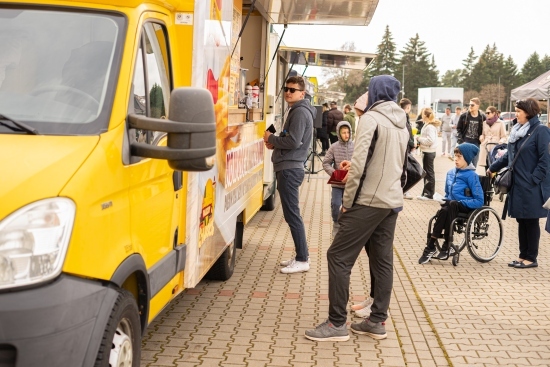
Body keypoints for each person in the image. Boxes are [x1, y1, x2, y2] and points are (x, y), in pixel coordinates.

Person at [304, 75, 408, 342]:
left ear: (375, 93)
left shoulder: (371, 119)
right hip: (391, 201)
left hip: (367, 201)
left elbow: (359, 165)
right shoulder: (403, 122)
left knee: (337, 256)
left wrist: (347, 203)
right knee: (382, 260)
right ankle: (377, 321)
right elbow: (402, 166)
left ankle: (336, 324)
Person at [487, 98, 550, 269]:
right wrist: (492, 167)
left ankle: (532, 257)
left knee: (531, 220)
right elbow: (509, 155)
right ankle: (523, 255)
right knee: (522, 220)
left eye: (519, 111)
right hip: (517, 184)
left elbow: (545, 160)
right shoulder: (517, 130)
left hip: (531, 185)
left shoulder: (541, 130)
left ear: (529, 112)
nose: (516, 114)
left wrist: (533, 179)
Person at [263, 76, 316, 274]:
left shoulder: (300, 112)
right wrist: (275, 141)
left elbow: (293, 142)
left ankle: (303, 259)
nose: (288, 92)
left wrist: (272, 138)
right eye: (286, 88)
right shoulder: (297, 110)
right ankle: (302, 255)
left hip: (289, 169)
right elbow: (292, 139)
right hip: (289, 167)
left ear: (302, 93)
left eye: (292, 90)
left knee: (293, 215)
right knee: (292, 214)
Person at [418, 143, 484, 263]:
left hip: (465, 207)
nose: (456, 159)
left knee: (451, 205)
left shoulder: (472, 176)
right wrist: (443, 200)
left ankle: (442, 245)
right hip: (450, 207)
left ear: (468, 158)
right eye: (455, 156)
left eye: (460, 157)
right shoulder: (450, 173)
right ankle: (432, 246)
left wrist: (459, 202)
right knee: (445, 209)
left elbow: (479, 201)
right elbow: (448, 194)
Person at [322, 121, 354, 237]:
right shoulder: (334, 147)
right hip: (337, 184)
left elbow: (361, 163)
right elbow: (326, 163)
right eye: (343, 133)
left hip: (351, 184)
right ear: (339, 134)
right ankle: (336, 223)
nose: (346, 135)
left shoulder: (356, 146)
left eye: (348, 132)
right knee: (336, 204)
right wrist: (334, 173)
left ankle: (347, 229)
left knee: (350, 206)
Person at [417, 108, 441, 200]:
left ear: (425, 115)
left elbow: (430, 140)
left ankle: (428, 194)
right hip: (428, 151)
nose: (421, 115)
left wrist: (419, 139)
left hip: (429, 151)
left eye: (422, 114)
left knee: (429, 173)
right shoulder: (428, 125)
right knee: (428, 172)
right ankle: (426, 193)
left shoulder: (430, 127)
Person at [457, 98, 486, 167]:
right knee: (464, 164)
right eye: (469, 105)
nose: (470, 106)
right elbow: (458, 129)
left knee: (473, 165)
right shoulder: (464, 116)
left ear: (477, 106)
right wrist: (461, 140)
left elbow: (485, 130)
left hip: (476, 144)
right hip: (465, 142)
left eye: (472, 105)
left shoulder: (482, 117)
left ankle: (471, 177)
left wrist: (483, 136)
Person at [478, 106, 507, 170]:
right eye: (486, 113)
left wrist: (500, 142)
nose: (486, 114)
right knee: (486, 167)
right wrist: (481, 137)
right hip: (486, 146)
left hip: (495, 147)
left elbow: (504, 136)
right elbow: (483, 134)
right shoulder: (484, 123)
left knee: (495, 167)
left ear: (494, 113)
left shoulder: (501, 123)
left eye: (488, 113)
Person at [400, 98, 415, 200]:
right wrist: (412, 143)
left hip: (405, 146)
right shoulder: (404, 117)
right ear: (408, 107)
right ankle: (405, 191)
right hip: (406, 147)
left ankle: (404, 191)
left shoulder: (402, 116)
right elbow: (407, 133)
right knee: (406, 169)